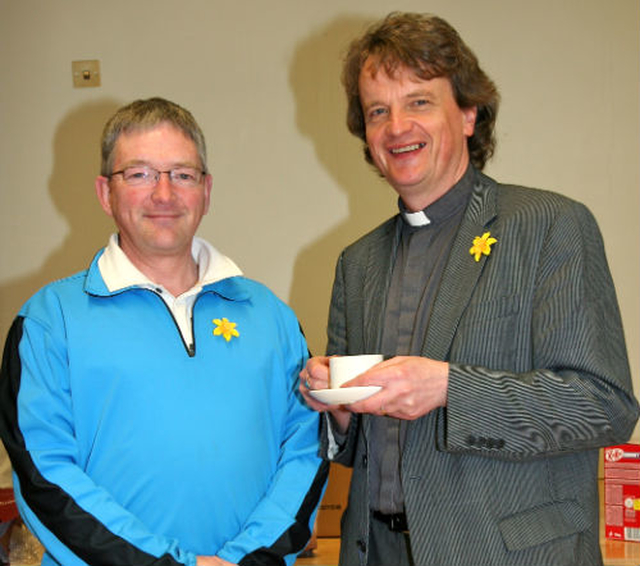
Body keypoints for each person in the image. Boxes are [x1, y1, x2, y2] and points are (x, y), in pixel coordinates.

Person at [299, 12, 639, 566]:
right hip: (373, 550)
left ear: (467, 114)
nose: (397, 126)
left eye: (419, 102)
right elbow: (360, 448)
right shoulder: (357, 263)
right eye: (378, 111)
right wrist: (337, 410)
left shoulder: (550, 225)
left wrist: (449, 388)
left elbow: (604, 405)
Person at [0, 97, 327, 566]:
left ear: (207, 191)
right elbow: (43, 476)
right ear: (104, 193)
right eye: (139, 174)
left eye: (182, 174)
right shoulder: (49, 322)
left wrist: (252, 559)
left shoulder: (272, 317)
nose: (164, 194)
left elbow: (305, 452)